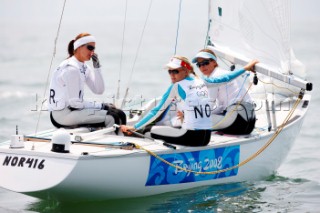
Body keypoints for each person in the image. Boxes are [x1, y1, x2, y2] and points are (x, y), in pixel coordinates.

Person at [121, 56, 213, 146]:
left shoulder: (176, 86)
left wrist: (134, 127)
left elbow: (156, 111)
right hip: (206, 138)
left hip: (191, 138)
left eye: (175, 71)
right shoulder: (200, 81)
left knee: (147, 131)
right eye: (170, 71)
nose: (172, 75)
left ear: (185, 71)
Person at [48, 33, 126, 131]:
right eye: (90, 48)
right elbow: (75, 103)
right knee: (113, 117)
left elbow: (99, 90)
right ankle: (115, 143)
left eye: (94, 49)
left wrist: (97, 67)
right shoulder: (71, 69)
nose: (92, 52)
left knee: (120, 114)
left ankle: (121, 139)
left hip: (73, 110)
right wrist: (102, 106)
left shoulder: (84, 67)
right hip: (62, 115)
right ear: (79, 47)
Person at [192, 49, 258, 134]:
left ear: (214, 62)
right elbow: (220, 107)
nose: (202, 67)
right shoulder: (223, 72)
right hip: (249, 123)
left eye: (205, 63)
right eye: (199, 65)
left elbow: (209, 105)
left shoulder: (214, 77)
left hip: (238, 122)